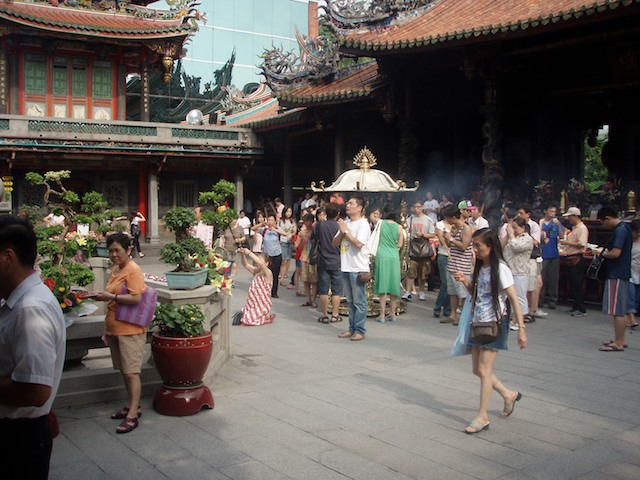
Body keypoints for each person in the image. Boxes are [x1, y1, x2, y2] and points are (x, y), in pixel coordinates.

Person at [0, 216, 66, 479]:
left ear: (8, 257)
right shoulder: (18, 303)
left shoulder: (31, 310)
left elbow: (35, 391)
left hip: (17, 438)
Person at [453, 228, 527, 434]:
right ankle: (508, 394)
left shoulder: (501, 268)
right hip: (478, 322)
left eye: (478, 246)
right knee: (477, 370)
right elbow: (476, 294)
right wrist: (466, 282)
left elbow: (514, 299)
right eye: (474, 245)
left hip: (495, 323)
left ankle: (482, 416)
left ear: (491, 247)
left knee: (485, 371)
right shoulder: (479, 267)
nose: (474, 249)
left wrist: (521, 328)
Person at [93, 233, 145, 433]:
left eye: (118, 250)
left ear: (128, 250)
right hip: (116, 327)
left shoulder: (133, 270)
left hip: (130, 329)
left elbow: (136, 298)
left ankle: (133, 414)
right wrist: (103, 297)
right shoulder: (116, 269)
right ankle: (133, 405)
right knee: (125, 370)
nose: (114, 254)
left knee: (132, 372)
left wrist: (111, 296)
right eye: (111, 250)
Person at [334, 195, 371, 341]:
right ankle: (351, 328)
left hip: (358, 267)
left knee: (359, 301)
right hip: (346, 266)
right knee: (349, 300)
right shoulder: (346, 223)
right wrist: (343, 230)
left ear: (360, 208)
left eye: (351, 203)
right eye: (347, 203)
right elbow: (334, 242)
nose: (347, 205)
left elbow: (358, 244)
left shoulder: (363, 224)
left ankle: (360, 330)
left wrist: (346, 231)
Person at [597, 206, 633, 352]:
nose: (603, 226)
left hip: (616, 273)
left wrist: (601, 253)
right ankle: (620, 339)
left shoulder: (619, 230)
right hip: (622, 272)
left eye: (602, 222)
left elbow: (615, 253)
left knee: (617, 309)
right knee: (621, 308)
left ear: (608, 218)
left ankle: (618, 342)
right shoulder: (626, 228)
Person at [442, 205, 473, 325]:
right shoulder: (453, 227)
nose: (447, 221)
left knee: (463, 294)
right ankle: (453, 315)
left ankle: (464, 317)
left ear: (454, 217)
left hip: (462, 266)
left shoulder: (466, 229)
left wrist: (450, 239)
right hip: (452, 264)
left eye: (448, 218)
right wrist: (446, 239)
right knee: (453, 292)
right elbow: (451, 246)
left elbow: (464, 246)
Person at [500, 217, 533, 331]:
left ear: (523, 228)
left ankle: (518, 321)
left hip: (520, 272)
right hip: (508, 270)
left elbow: (517, 247)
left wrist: (511, 235)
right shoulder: (511, 237)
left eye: (516, 228)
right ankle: (507, 317)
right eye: (512, 227)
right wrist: (507, 235)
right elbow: (500, 246)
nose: (513, 230)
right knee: (506, 296)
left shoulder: (527, 239)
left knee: (519, 296)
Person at [313, 203, 343, 324]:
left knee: (323, 290)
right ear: (338, 214)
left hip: (323, 260)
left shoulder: (320, 225)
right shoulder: (340, 226)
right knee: (337, 290)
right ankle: (335, 315)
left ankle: (325, 315)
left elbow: (314, 239)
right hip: (337, 261)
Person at [403, 202, 436, 302]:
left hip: (424, 248)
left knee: (423, 272)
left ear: (422, 207)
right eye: (415, 207)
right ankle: (408, 292)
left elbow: (432, 234)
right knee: (411, 271)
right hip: (413, 247)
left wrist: (423, 235)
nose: (416, 209)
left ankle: (421, 292)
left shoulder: (427, 220)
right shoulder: (410, 219)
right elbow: (405, 231)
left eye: (418, 207)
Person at [559, 207, 588, 317]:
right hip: (571, 256)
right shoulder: (575, 228)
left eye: (570, 217)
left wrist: (567, 243)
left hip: (577, 257)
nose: (569, 219)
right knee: (573, 282)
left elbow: (582, 244)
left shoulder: (581, 228)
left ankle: (581, 307)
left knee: (577, 283)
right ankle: (576, 305)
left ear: (575, 216)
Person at [374, 212, 404, 322]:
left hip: (382, 255)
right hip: (394, 256)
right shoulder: (399, 227)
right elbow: (400, 244)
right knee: (393, 285)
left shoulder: (381, 223)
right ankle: (392, 313)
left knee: (383, 285)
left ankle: (382, 314)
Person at [237, 248, 275, 325]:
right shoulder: (256, 271)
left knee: (247, 320)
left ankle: (265, 317)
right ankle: (265, 316)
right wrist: (242, 254)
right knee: (241, 315)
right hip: (253, 302)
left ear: (267, 263)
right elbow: (245, 264)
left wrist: (249, 253)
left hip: (262, 303)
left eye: (260, 260)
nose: (257, 262)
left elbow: (261, 264)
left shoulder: (268, 273)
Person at [539, 205, 565, 310]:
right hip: (543, 253)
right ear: (545, 211)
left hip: (554, 253)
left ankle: (552, 300)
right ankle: (540, 299)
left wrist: (558, 226)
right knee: (542, 277)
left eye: (554, 211)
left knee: (553, 278)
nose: (552, 213)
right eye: (551, 211)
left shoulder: (556, 223)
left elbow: (562, 236)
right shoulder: (541, 222)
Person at [261, 214, 286, 298]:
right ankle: (265, 290)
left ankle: (274, 292)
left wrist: (275, 230)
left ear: (275, 221)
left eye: (272, 220)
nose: (270, 222)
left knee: (275, 274)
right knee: (266, 273)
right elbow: (253, 229)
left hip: (277, 254)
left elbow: (285, 233)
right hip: (267, 256)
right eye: (269, 220)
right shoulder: (264, 230)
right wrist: (261, 224)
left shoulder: (278, 229)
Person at [296, 213, 318, 308]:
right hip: (304, 257)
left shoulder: (316, 231)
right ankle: (308, 299)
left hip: (314, 258)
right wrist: (302, 240)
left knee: (314, 280)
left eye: (310, 221)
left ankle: (313, 299)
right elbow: (298, 247)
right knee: (305, 280)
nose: (308, 223)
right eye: (306, 221)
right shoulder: (302, 232)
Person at [434, 216, 452, 319]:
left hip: (454, 256)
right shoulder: (440, 224)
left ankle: (447, 309)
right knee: (445, 282)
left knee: (451, 283)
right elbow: (441, 239)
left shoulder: (456, 226)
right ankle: (437, 307)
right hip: (443, 255)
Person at [278, 206, 297, 286]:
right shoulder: (280, 221)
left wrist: (292, 234)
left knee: (288, 259)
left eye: (290, 211)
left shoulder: (292, 221)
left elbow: (295, 230)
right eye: (287, 211)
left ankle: (284, 274)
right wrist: (287, 234)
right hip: (282, 241)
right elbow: (279, 231)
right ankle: (281, 278)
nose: (289, 213)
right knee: (284, 261)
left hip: (290, 242)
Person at [628, 219, 640, 329]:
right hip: (629, 272)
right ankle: (631, 318)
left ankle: (630, 316)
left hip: (638, 272)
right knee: (630, 296)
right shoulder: (628, 241)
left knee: (636, 297)